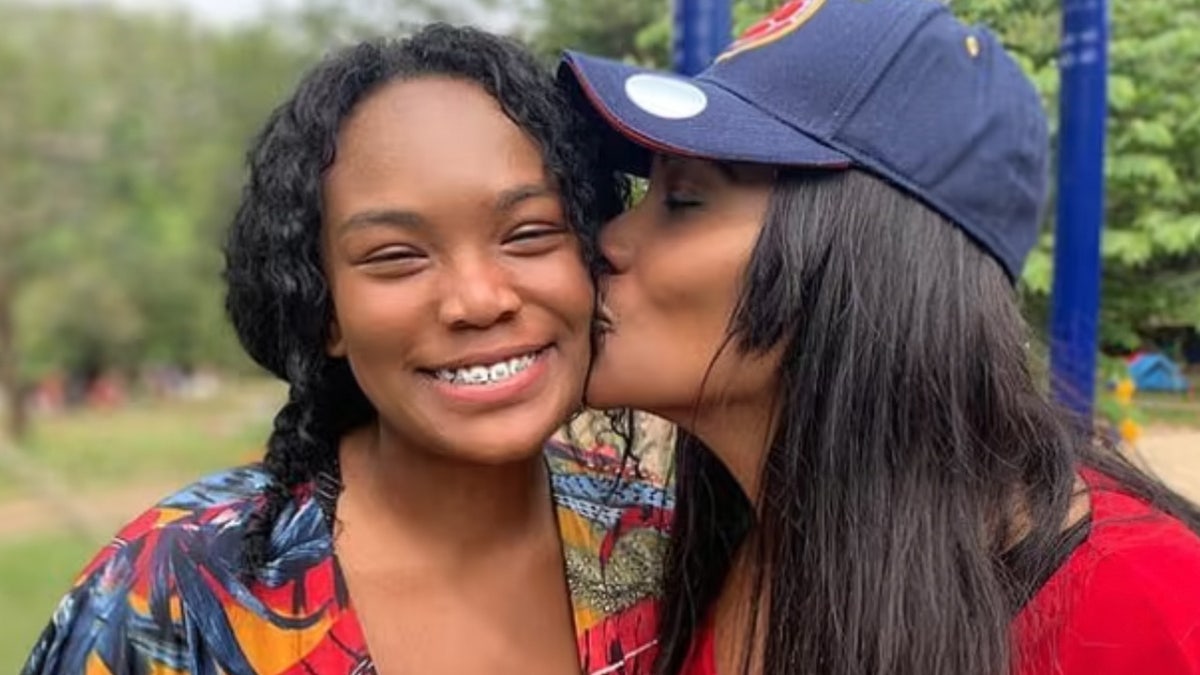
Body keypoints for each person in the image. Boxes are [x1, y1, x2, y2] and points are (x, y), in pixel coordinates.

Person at [557, 0, 1200, 673]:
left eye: (684, 199)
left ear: (868, 260)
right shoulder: (727, 545)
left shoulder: (1144, 606)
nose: (611, 239)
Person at [23, 25, 670, 675]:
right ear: (325, 309)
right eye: (396, 256)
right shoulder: (169, 593)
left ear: (591, 257)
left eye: (528, 234)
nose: (477, 299)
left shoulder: (662, 550)